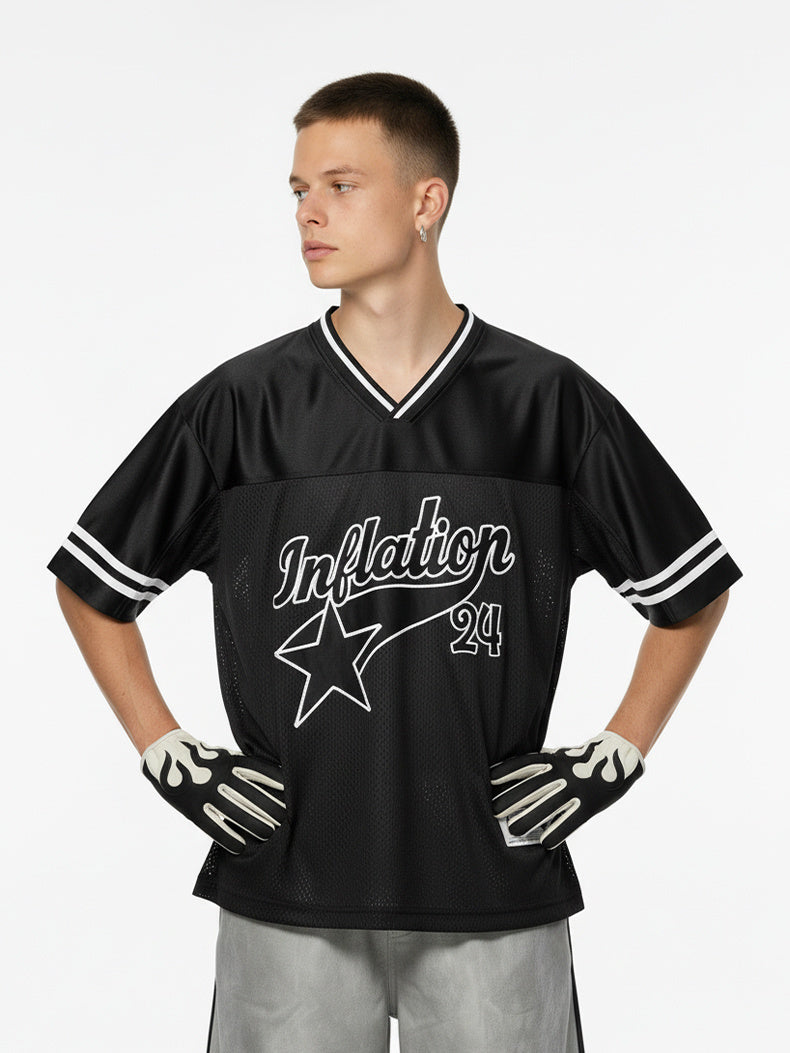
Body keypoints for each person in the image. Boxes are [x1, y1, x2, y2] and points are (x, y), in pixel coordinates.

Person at [49, 72, 742, 1053]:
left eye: (340, 185)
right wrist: (164, 744)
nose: (308, 213)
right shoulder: (242, 406)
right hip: (288, 878)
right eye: (298, 190)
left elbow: (690, 587)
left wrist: (619, 747)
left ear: (427, 201)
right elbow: (93, 583)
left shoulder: (544, 403)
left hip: (492, 879)